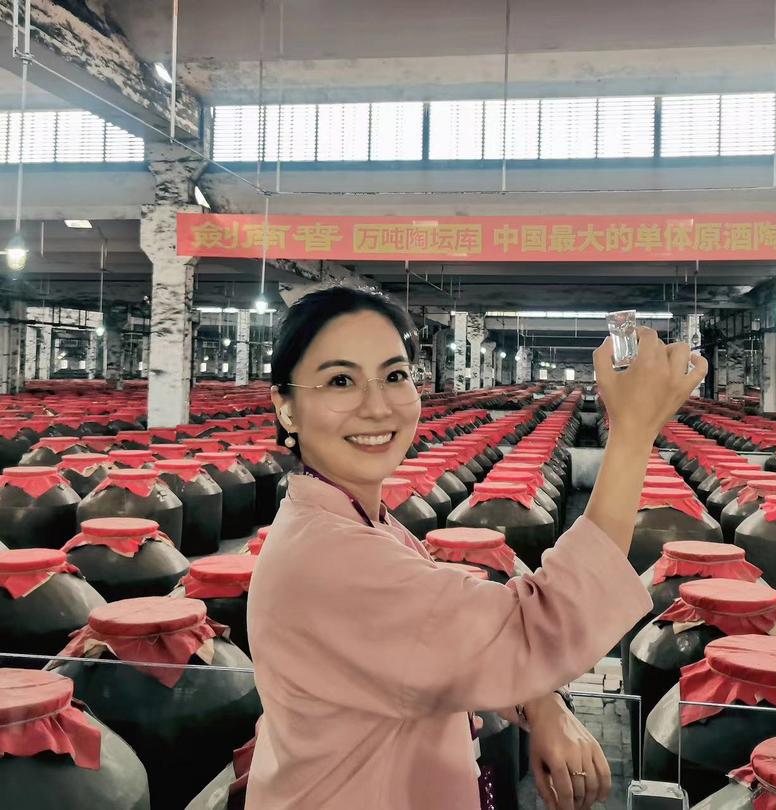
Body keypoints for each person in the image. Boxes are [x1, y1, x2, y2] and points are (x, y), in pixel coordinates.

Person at [246, 286, 708, 810]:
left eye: (395, 376)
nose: (377, 407)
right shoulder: (330, 560)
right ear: (286, 408)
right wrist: (633, 432)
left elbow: (453, 643)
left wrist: (541, 704)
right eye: (340, 381)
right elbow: (539, 625)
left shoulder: (358, 521)